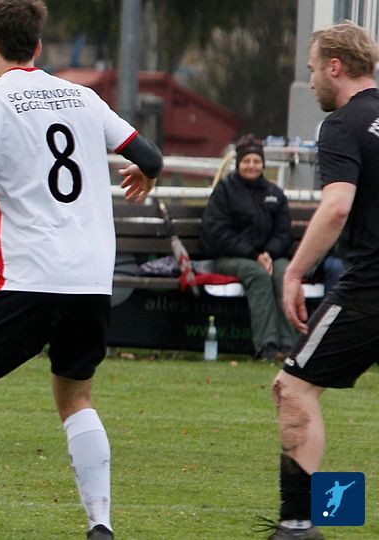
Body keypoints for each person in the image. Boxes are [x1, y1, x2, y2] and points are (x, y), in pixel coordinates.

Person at [0, 2, 161, 538]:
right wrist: (148, 173)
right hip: (90, 282)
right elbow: (149, 155)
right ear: (39, 46)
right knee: (76, 398)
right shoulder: (83, 96)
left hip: (26, 278)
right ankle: (100, 526)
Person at [261, 21, 379, 540]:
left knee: (293, 388)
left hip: (370, 287)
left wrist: (294, 271)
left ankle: (299, 525)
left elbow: (335, 207)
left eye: (311, 70)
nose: (310, 81)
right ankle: (327, 516)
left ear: (335, 66)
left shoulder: (343, 124)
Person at [200, 134, 298, 361]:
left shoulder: (275, 193)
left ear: (263, 164)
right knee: (259, 274)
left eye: (256, 161)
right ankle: (267, 346)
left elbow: (284, 233)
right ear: (238, 163)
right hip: (230, 258)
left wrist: (269, 253)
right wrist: (254, 255)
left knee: (285, 274)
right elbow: (218, 234)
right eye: (246, 161)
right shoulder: (224, 191)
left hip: (270, 257)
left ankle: (290, 346)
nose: (251, 166)